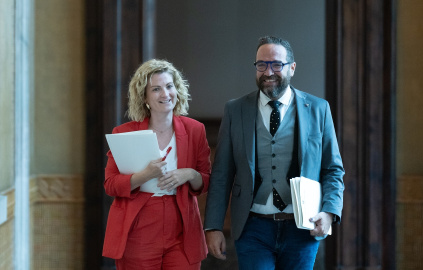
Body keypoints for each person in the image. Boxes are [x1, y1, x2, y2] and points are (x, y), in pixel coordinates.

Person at [204, 36, 345, 270]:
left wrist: (330, 212)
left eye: (276, 64)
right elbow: (221, 174)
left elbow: (333, 169)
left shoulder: (319, 109)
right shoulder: (235, 109)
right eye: (262, 65)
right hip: (252, 228)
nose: (268, 71)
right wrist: (213, 226)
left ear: (292, 67)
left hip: (302, 227)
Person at [102, 59, 211, 270]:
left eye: (169, 86)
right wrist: (145, 175)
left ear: (177, 90)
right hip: (139, 224)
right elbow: (110, 185)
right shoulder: (124, 133)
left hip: (182, 224)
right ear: (144, 97)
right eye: (156, 89)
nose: (165, 94)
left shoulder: (195, 130)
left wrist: (188, 174)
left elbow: (205, 181)